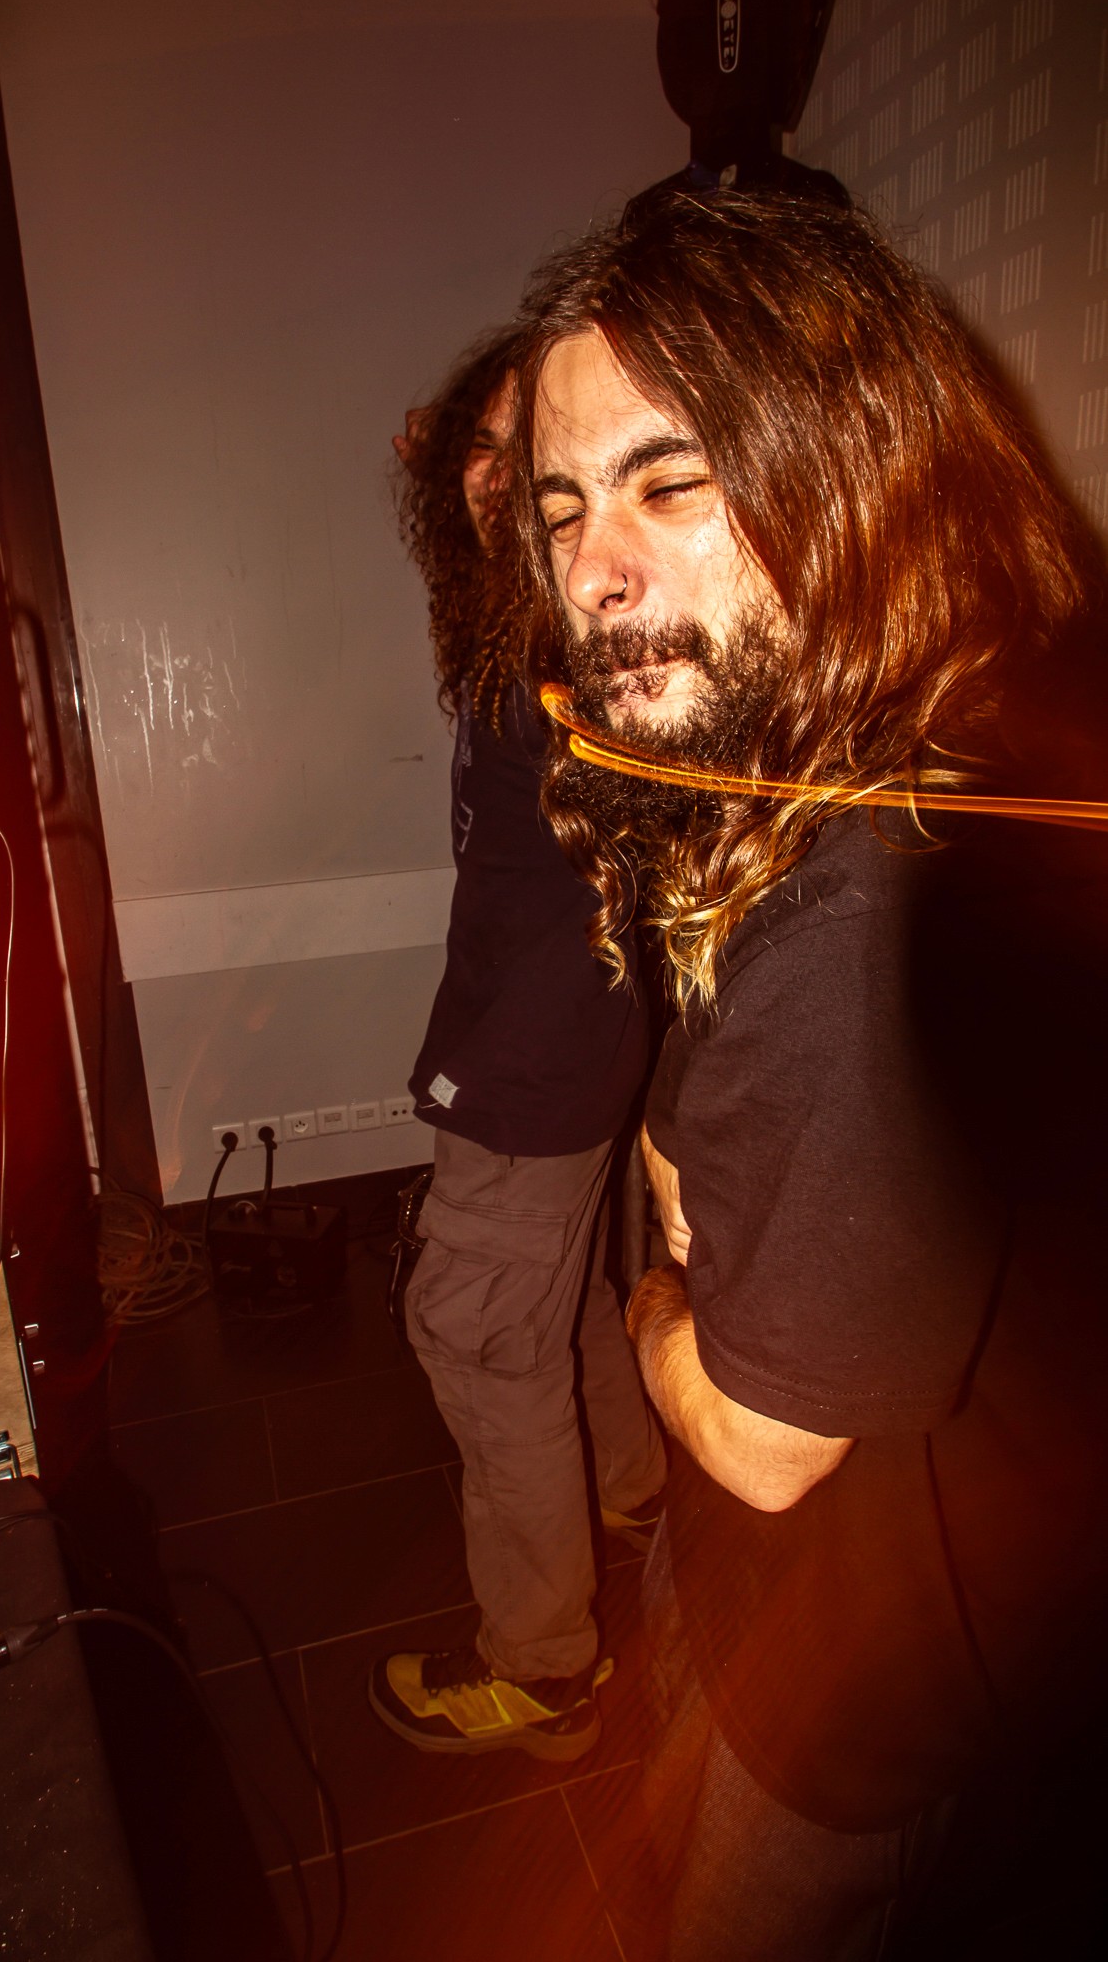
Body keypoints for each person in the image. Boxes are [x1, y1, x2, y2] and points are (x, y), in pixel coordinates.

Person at [508, 193, 1108, 1953]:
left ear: (849, 473)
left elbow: (762, 1445)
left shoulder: (858, 896)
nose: (594, 570)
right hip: (798, 1613)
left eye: (668, 482)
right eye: (564, 508)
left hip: (860, 1697)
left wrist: (648, 1303)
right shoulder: (848, 768)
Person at [367, 328, 667, 1763]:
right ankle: (630, 1486)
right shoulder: (527, 611)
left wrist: (489, 1070)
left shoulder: (572, 622)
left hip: (535, 1057)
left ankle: (543, 1668)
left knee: (478, 1334)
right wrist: (459, 462)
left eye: (523, 451)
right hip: (569, 1042)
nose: (495, 478)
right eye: (479, 455)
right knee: (554, 1300)